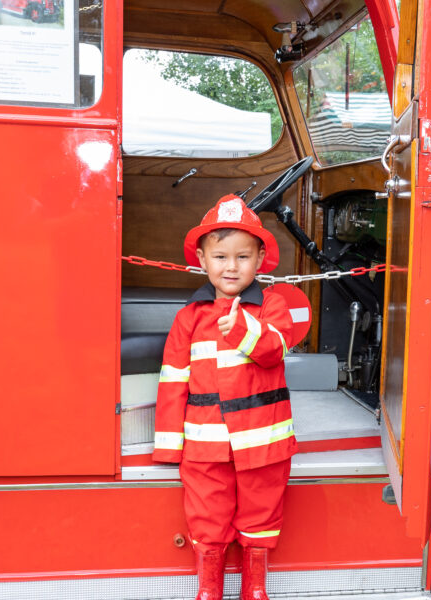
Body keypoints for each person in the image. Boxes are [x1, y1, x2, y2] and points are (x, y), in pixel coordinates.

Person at [153, 195, 296, 600]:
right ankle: (208, 589)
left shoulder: (273, 306)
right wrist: (169, 447)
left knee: (261, 515)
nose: (231, 267)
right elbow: (173, 381)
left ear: (260, 258)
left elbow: (274, 350)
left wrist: (241, 329)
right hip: (205, 446)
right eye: (220, 256)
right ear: (202, 258)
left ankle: (255, 587)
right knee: (207, 517)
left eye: (242, 257)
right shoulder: (189, 317)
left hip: (263, 445)